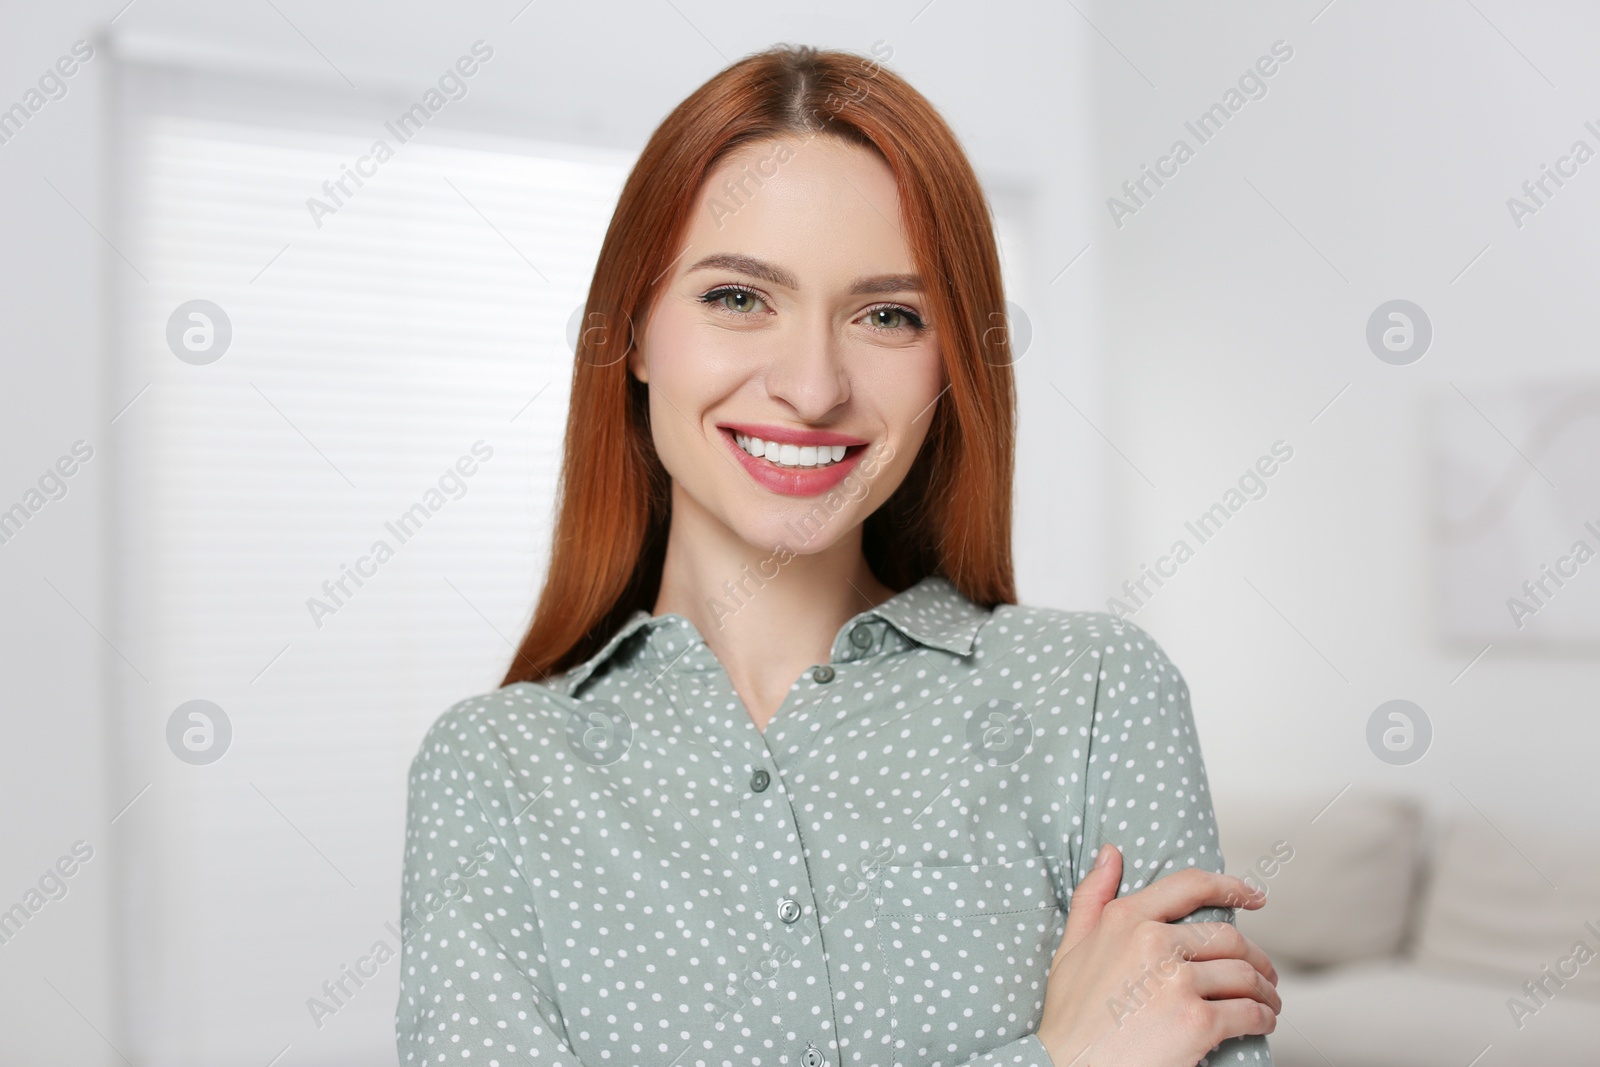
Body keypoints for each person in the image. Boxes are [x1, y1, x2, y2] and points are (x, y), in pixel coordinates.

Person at [395, 42, 1279, 1067]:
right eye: (737, 297)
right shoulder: (494, 770)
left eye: (888, 315)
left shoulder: (1090, 697)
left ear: (952, 362)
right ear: (632, 330)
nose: (813, 386)